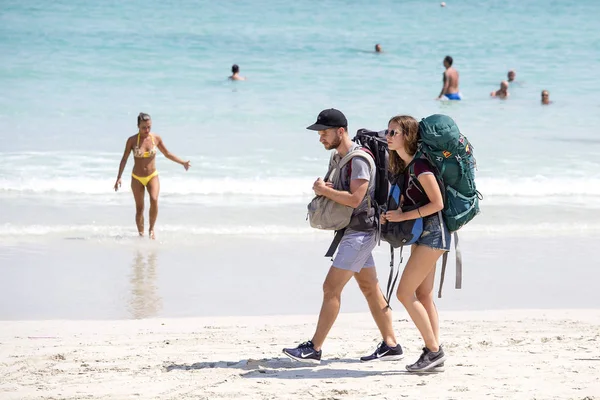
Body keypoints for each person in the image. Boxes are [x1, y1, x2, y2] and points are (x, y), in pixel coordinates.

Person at [282, 108, 403, 364]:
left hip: (361, 233)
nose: (320, 138)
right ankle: (391, 345)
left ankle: (314, 348)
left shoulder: (358, 159)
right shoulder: (340, 157)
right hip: (355, 230)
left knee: (331, 288)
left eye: (324, 133)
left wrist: (324, 192)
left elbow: (355, 199)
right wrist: (325, 188)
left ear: (340, 131)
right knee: (370, 288)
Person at [382, 115, 450, 373]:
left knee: (403, 293)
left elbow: (437, 204)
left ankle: (434, 351)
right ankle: (432, 351)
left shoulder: (420, 166)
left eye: (393, 132)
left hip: (434, 234)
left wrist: (402, 216)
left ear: (407, 136)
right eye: (387, 131)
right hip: (424, 235)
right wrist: (391, 215)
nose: (387, 136)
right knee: (423, 295)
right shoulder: (407, 167)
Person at [114, 113, 191, 239]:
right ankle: (140, 234)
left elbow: (167, 153)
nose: (147, 130)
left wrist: (182, 162)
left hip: (152, 176)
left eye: (149, 127)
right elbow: (124, 159)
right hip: (137, 177)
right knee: (140, 208)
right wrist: (119, 177)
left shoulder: (156, 138)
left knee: (154, 200)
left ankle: (151, 230)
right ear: (138, 126)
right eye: (143, 127)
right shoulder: (132, 140)